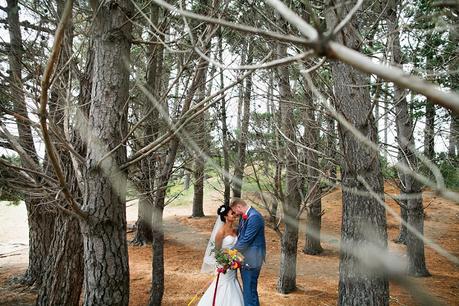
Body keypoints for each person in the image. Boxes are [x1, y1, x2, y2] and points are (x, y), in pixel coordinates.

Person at [198, 205, 244, 306]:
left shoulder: (235, 230)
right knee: (223, 286)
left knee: (233, 284)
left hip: (233, 266)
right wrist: (225, 263)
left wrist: (235, 260)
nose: (235, 215)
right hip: (224, 267)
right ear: (225, 216)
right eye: (232, 213)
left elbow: (236, 248)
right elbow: (217, 253)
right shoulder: (220, 233)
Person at [230, 198, 266, 306]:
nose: (235, 214)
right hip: (246, 258)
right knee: (249, 289)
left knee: (249, 290)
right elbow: (241, 235)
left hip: (252, 259)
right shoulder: (245, 216)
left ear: (239, 207)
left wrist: (230, 253)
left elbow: (246, 240)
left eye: (235, 211)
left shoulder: (254, 217)